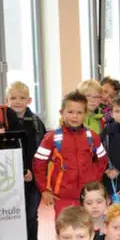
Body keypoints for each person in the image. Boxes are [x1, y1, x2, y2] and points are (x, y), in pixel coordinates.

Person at [33, 91, 108, 219]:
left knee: (87, 233)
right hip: (62, 197)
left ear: (85, 114)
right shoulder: (51, 138)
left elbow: (102, 160)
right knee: (65, 232)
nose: (75, 116)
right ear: (62, 113)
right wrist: (44, 190)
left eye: (79, 113)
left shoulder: (92, 136)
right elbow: (38, 164)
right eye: (70, 112)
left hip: (88, 197)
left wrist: (95, 180)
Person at [6, 81, 46, 240]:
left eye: (22, 98)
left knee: (31, 215)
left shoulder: (37, 122)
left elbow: (42, 151)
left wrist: (34, 172)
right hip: (9, 178)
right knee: (13, 216)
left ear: (29, 100)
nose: (17, 101)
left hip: (33, 178)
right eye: (13, 98)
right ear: (7, 100)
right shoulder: (3, 121)